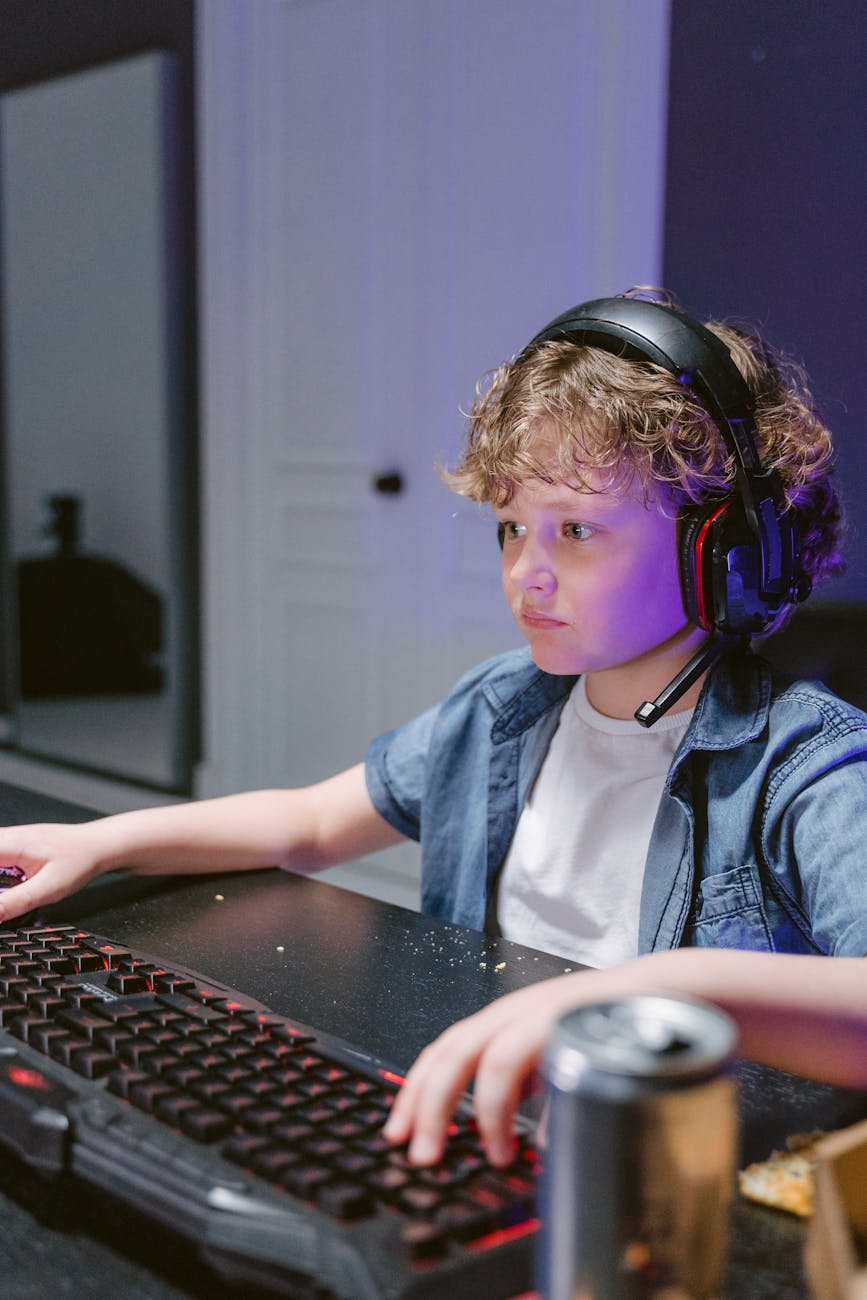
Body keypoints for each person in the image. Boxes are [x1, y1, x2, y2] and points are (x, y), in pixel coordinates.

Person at [1, 289, 865, 1169]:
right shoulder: (500, 708)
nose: (526, 573)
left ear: (722, 547)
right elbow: (306, 823)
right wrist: (98, 844)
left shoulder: (805, 765)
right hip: (496, 1133)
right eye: (509, 529)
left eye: (575, 529)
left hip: (677, 1170)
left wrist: (657, 990)